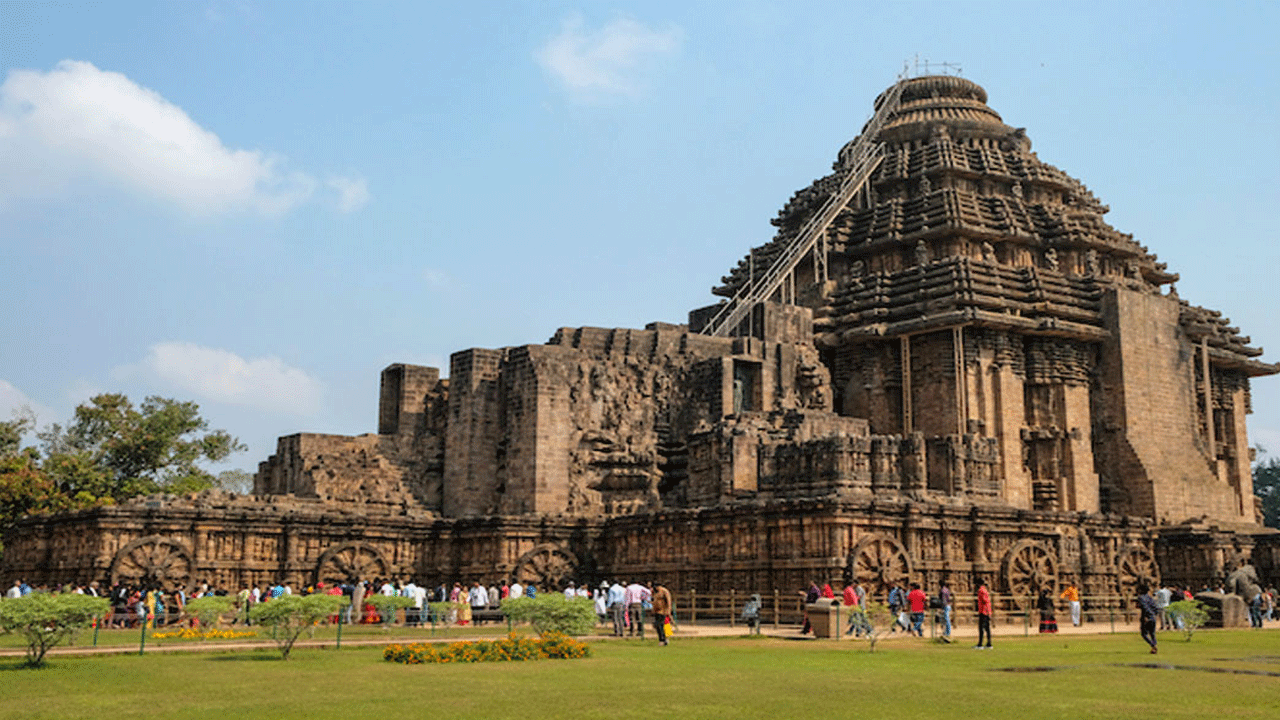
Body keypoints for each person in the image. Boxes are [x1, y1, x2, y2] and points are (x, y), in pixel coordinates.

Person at [1137, 583, 1159, 654]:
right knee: (1152, 633)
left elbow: (1144, 607)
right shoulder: (1150, 597)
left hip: (1147, 617)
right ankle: (1154, 647)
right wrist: (1154, 614)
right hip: (1153, 617)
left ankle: (1153, 645)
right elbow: (1155, 607)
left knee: (1144, 634)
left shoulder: (1141, 598)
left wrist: (1147, 616)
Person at [975, 577, 992, 649]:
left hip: (983, 611)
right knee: (987, 628)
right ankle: (989, 643)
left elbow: (985, 600)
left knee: (981, 628)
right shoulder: (985, 590)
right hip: (987, 611)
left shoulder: (981, 591)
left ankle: (980, 644)